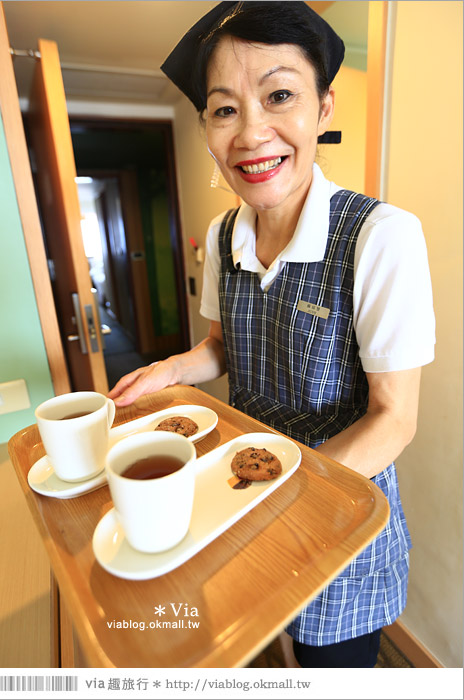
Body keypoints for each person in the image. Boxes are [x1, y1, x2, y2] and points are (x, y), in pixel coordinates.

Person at [109, 1, 435, 667]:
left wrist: (282, 491)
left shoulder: (379, 237)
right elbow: (224, 350)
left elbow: (393, 420)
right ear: (206, 126)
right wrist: (170, 370)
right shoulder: (226, 235)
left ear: (323, 108)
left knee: (330, 664)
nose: (252, 133)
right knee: (269, 647)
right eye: (225, 108)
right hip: (245, 493)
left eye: (279, 94)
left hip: (336, 512)